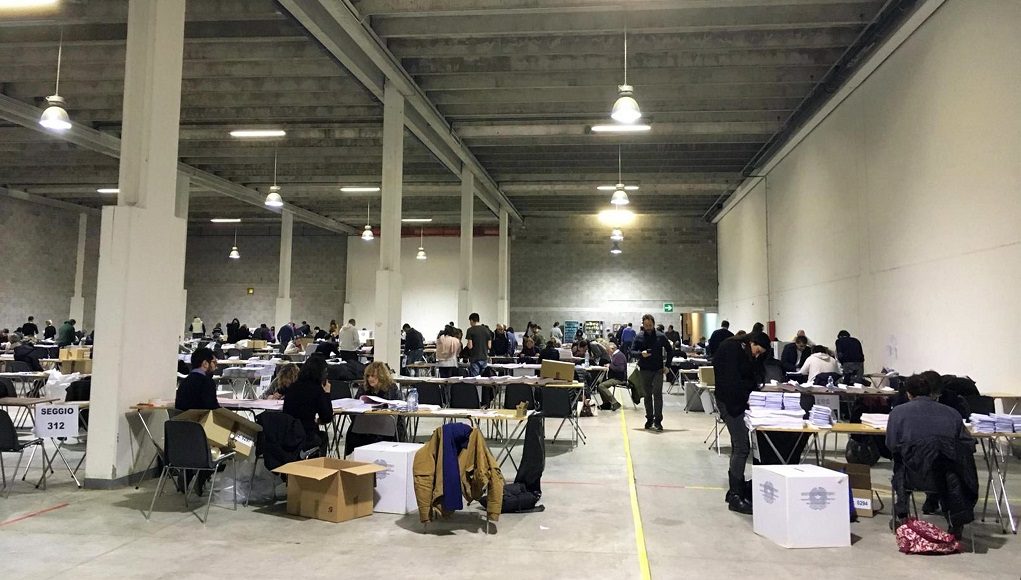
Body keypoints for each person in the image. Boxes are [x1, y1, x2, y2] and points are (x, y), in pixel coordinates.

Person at [887, 373, 977, 539]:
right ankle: (955, 522)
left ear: (908, 394)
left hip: (911, 477)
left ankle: (902, 513)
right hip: (949, 479)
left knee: (900, 461)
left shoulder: (898, 413)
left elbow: (891, 445)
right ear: (933, 393)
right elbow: (966, 446)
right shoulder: (953, 414)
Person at [713, 332, 770, 514]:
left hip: (738, 402)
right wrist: (746, 398)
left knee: (739, 446)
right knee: (742, 447)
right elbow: (732, 382)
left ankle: (734, 491)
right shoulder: (732, 348)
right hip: (731, 403)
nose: (757, 355)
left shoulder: (742, 351)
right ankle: (736, 495)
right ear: (751, 342)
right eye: (757, 350)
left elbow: (749, 377)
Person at [345, 362, 403, 456]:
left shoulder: (392, 388)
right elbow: (356, 407)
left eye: (373, 376)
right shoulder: (363, 388)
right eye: (368, 376)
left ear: (381, 376)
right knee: (353, 434)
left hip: (385, 424)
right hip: (366, 423)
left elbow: (398, 409)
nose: (370, 379)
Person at [282, 356, 333, 455]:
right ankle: (318, 466)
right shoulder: (317, 390)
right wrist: (327, 393)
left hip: (288, 433)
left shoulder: (292, 387)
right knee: (323, 436)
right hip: (306, 434)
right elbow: (327, 417)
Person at [631, 314, 674, 432]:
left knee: (657, 395)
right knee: (647, 395)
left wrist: (668, 366)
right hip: (644, 370)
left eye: (650, 325)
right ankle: (649, 419)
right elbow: (632, 352)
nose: (648, 327)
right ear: (643, 325)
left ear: (654, 324)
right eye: (646, 325)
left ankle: (658, 421)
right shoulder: (639, 337)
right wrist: (641, 354)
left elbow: (670, 351)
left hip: (658, 370)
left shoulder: (661, 336)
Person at [594, 342, 625, 411]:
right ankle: (606, 403)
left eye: (608, 350)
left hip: (618, 378)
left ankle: (615, 402)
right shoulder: (616, 355)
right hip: (615, 376)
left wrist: (610, 366)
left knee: (601, 386)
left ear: (612, 349)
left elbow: (620, 369)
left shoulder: (619, 356)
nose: (607, 352)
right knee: (599, 383)